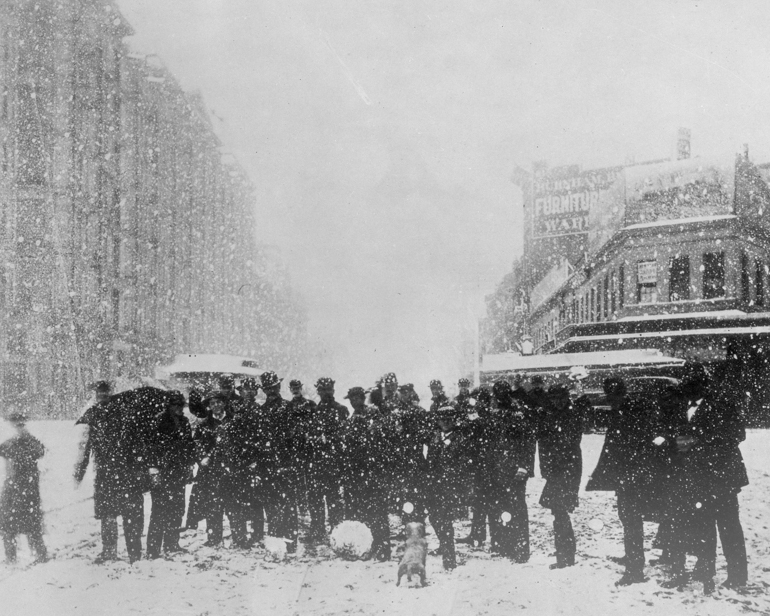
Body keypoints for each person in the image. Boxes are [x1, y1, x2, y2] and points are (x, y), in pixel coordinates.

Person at [659, 364, 748, 594]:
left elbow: (737, 434)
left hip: (722, 476)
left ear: (702, 385)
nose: (686, 390)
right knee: (703, 526)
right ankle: (706, 571)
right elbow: (679, 435)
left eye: (691, 385)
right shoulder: (684, 407)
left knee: (728, 526)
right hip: (698, 476)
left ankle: (738, 576)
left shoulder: (722, 404)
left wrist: (694, 442)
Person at [587, 377, 666, 587]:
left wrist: (630, 473)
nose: (609, 399)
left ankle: (635, 568)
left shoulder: (630, 411)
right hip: (630, 475)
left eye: (610, 395)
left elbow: (637, 445)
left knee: (632, 520)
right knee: (630, 519)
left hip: (633, 477)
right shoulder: (626, 409)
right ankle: (633, 559)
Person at [74, 381, 149, 564]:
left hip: (127, 471)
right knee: (107, 514)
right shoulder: (91, 415)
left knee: (131, 514)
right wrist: (79, 471)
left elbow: (139, 442)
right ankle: (109, 551)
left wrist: (141, 466)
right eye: (100, 393)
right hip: (105, 472)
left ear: (111, 393)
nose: (103, 395)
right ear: (96, 394)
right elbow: (84, 446)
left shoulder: (126, 413)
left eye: (106, 392)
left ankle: (134, 553)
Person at [487, 381, 535, 563]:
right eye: (497, 393)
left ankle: (521, 548)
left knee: (517, 508)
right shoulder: (492, 411)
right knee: (499, 506)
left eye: (503, 392)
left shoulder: (519, 412)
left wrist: (525, 466)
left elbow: (529, 441)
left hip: (515, 468)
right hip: (495, 467)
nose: (500, 396)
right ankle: (503, 544)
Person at [146, 391, 196, 559]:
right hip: (163, 472)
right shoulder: (158, 421)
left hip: (179, 472)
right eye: (175, 405)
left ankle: (172, 543)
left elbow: (189, 445)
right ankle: (153, 550)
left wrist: (189, 465)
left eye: (180, 405)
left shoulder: (184, 422)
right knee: (159, 511)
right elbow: (151, 447)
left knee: (177, 509)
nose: (178, 408)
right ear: (168, 406)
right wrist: (154, 469)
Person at [538, 385, 583, 569]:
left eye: (560, 398)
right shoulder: (550, 415)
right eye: (554, 398)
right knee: (558, 512)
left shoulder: (571, 415)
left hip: (567, 469)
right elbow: (543, 442)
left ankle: (566, 555)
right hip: (555, 470)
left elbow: (568, 442)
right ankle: (564, 552)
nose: (557, 402)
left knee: (561, 511)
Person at [424, 404, 471, 570]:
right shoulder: (434, 437)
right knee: (434, 518)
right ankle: (445, 545)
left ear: (454, 420)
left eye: (448, 419)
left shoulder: (461, 439)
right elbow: (429, 459)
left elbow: (464, 465)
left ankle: (449, 559)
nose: (445, 422)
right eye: (442, 419)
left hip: (450, 486)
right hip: (434, 486)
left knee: (445, 521)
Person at [302, 378, 346, 542]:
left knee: (333, 498)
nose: (325, 392)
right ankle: (317, 529)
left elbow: (343, 434)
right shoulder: (315, 410)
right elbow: (309, 432)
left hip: (333, 461)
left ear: (333, 390)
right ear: (318, 391)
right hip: (316, 461)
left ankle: (336, 530)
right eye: (322, 390)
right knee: (315, 498)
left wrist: (327, 439)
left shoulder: (340, 409)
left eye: (328, 389)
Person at [0, 410, 47, 565]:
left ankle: (40, 555)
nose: (18, 427)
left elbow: (40, 451)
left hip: (28, 487)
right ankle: (11, 558)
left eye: (20, 424)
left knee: (32, 523)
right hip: (11, 488)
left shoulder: (30, 441)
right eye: (15, 424)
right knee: (7, 525)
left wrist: (24, 439)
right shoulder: (7, 443)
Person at [259, 371, 299, 553]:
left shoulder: (289, 408)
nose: (271, 391)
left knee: (289, 504)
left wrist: (289, 460)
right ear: (264, 390)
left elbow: (296, 437)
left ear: (278, 387)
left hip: (286, 463)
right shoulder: (261, 411)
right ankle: (275, 540)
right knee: (270, 503)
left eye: (273, 387)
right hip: (267, 465)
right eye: (267, 388)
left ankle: (290, 540)